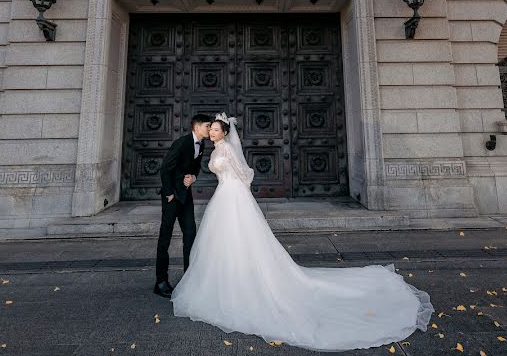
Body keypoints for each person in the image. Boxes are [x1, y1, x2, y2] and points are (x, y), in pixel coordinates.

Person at [170, 113, 434, 351]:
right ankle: (226, 280)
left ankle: (241, 282)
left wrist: (238, 190)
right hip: (223, 197)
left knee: (239, 239)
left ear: (224, 133)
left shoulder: (226, 149)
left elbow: (244, 173)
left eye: (215, 129)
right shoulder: (213, 148)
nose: (212, 132)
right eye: (211, 129)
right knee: (224, 242)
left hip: (232, 197)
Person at [153, 113, 212, 298]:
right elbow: (165, 169)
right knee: (165, 238)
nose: (210, 130)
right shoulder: (181, 143)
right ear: (197, 127)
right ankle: (161, 281)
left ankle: (190, 279)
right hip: (172, 197)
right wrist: (169, 193)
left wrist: (193, 177)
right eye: (207, 126)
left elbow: (195, 168)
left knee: (190, 236)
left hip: (186, 197)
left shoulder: (201, 144)